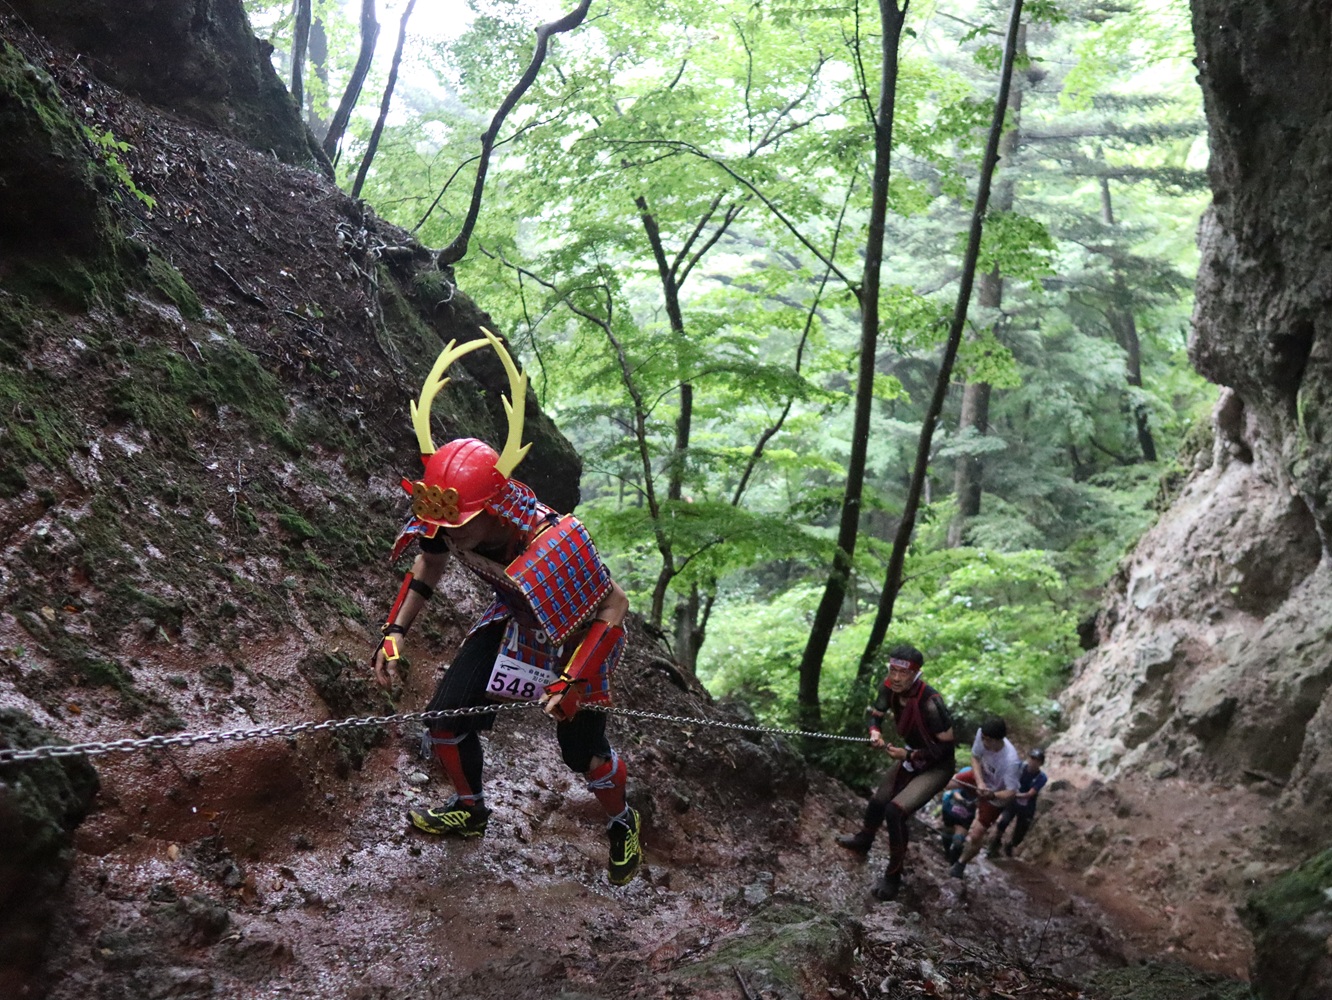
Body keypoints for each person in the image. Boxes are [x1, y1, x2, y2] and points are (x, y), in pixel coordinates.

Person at [369, 329, 642, 887]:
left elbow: (614, 604)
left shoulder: (553, 541)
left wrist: (572, 679)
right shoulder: (448, 519)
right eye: (438, 523)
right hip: (515, 618)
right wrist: (395, 631)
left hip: (575, 638)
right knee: (444, 721)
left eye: (458, 524)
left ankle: (622, 822)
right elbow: (429, 561)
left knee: (581, 753)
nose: (445, 533)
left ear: (492, 508)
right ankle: (470, 811)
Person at [835, 645, 957, 902]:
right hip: (911, 755)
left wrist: (909, 756)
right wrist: (875, 733)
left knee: (895, 811)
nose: (897, 677)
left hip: (936, 766)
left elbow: (945, 750)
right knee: (879, 800)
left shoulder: (932, 703)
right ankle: (864, 839)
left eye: (904, 672)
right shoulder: (888, 687)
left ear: (916, 674)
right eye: (893, 670)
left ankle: (893, 876)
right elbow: (876, 715)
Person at [949, 716, 1022, 879]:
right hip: (980, 777)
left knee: (977, 834)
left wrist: (992, 794)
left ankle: (960, 863)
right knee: (947, 782)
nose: (984, 742)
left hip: (995, 795)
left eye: (987, 740)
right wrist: (980, 782)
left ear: (998, 740)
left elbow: (1011, 792)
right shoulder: (982, 735)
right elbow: (975, 757)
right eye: (983, 738)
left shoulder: (1011, 761)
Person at [988, 747, 1047, 857]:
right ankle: (995, 843)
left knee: (1020, 833)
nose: (1033, 762)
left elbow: (1030, 794)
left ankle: (1010, 845)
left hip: (1027, 805)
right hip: (1013, 802)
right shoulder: (1019, 767)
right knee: (1003, 821)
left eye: (1037, 760)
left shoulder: (1041, 777)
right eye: (1032, 758)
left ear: (1040, 763)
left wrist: (1012, 794)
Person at [938, 766, 979, 863]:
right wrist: (963, 801)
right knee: (947, 832)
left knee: (958, 840)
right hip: (952, 806)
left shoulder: (992, 780)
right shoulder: (966, 771)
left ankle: (953, 863)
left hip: (968, 812)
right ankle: (947, 853)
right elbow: (954, 790)